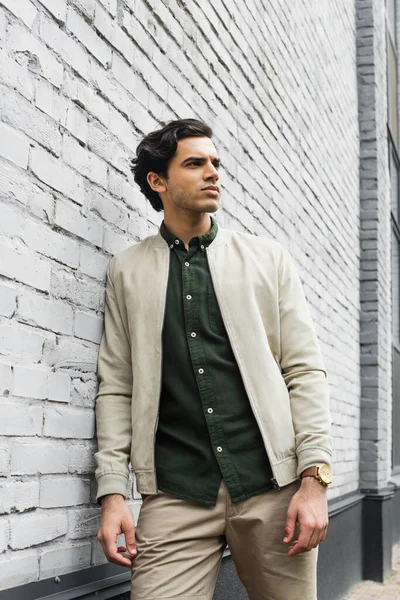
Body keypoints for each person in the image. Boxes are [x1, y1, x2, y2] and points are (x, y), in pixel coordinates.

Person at [95, 118, 332, 600]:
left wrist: (314, 482)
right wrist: (113, 492)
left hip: (273, 487)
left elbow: (303, 371)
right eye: (195, 163)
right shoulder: (128, 270)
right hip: (176, 492)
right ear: (157, 182)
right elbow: (117, 386)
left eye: (216, 163)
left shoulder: (268, 260)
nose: (213, 173)